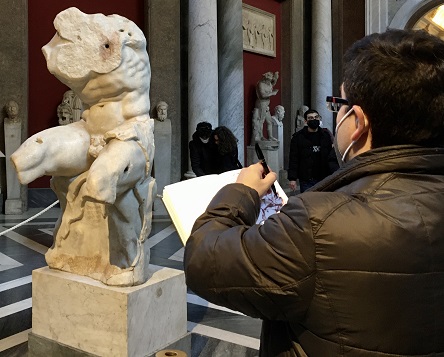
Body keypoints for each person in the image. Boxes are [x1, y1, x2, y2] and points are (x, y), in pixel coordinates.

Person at [184, 29, 444, 356]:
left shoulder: (316, 224)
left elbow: (203, 261)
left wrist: (241, 193)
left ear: (358, 121)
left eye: (340, 103)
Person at [287, 109, 334, 193]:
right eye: (311, 118)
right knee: (307, 203)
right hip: (306, 179)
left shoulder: (325, 136)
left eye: (316, 117)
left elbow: (331, 156)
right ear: (306, 121)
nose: (314, 120)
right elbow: (294, 158)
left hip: (324, 177)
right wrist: (292, 178)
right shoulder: (298, 137)